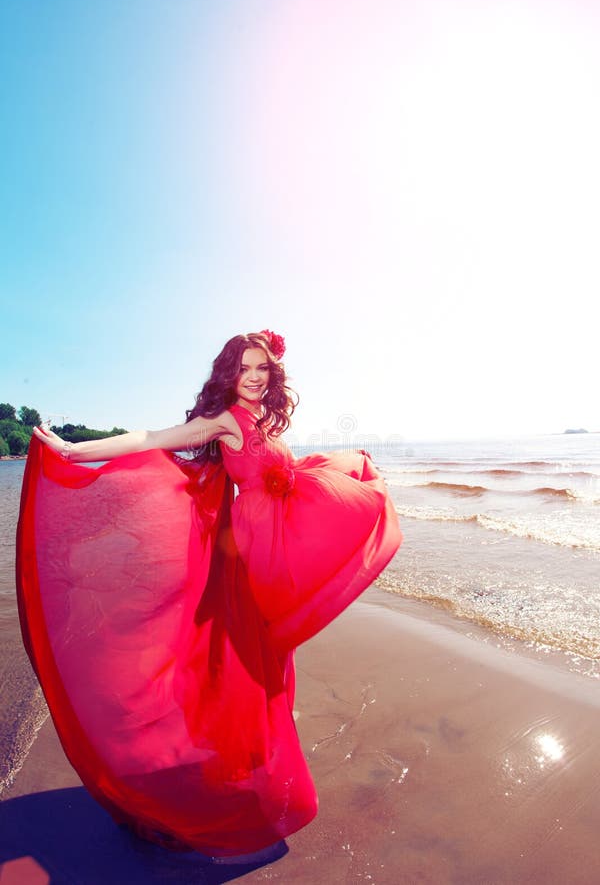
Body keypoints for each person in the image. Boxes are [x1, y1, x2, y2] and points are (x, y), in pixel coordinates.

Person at [17, 329, 402, 859]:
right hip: (256, 550)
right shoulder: (224, 420)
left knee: (271, 652)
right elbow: (148, 439)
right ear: (229, 372)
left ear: (271, 374)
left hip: (282, 536)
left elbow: (277, 469)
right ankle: (246, 762)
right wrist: (72, 449)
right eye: (244, 367)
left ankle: (250, 756)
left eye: (262, 368)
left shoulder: (264, 418)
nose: (253, 376)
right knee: (252, 656)